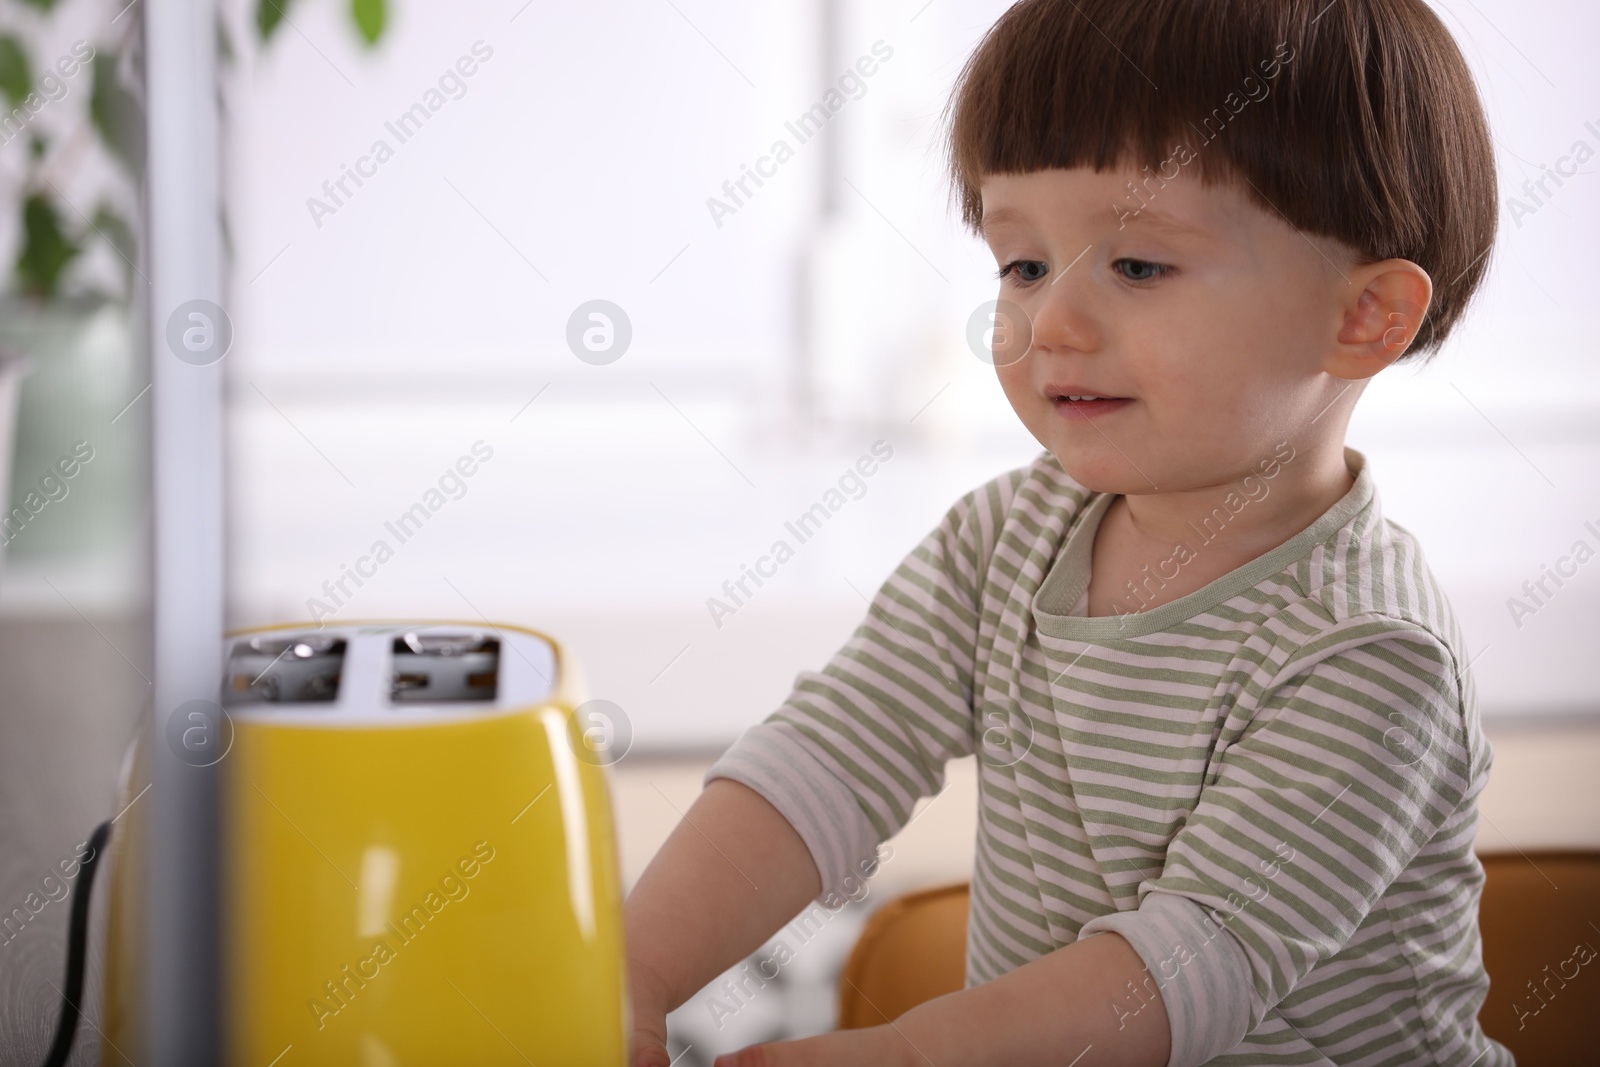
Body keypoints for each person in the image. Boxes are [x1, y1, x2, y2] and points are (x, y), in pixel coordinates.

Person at [625, 0, 1510, 1063]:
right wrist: (633, 965)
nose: (1050, 323)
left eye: (1136, 267)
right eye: (1022, 264)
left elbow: (1183, 971)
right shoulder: (1006, 533)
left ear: (1362, 317)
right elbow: (829, 755)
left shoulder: (1368, 654)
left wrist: (907, 1052)